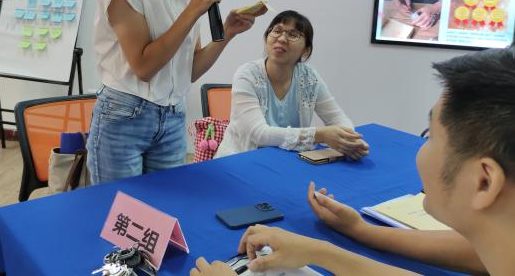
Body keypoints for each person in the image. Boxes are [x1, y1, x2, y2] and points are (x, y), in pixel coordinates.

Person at [191, 46, 515, 276]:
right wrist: (352, 235)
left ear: (484, 181)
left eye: (430, 137)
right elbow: (473, 253)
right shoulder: (501, 246)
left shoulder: (308, 78)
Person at [87, 0, 255, 185]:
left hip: (174, 117)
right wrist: (193, 10)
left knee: (163, 208)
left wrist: (227, 33)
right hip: (124, 115)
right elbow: (144, 66)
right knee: (118, 209)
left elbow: (189, 70)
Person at [215, 10, 369, 159]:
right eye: (277, 31)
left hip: (286, 161)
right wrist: (320, 135)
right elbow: (259, 134)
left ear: (305, 50)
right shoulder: (247, 74)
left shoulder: (309, 77)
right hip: (240, 159)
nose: (282, 39)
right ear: (266, 39)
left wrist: (350, 140)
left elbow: (337, 118)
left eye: (293, 35)